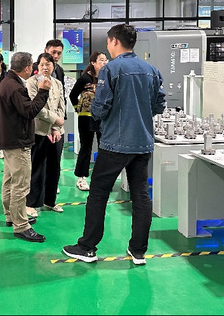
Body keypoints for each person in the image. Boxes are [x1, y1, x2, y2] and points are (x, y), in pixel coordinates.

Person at [63, 24, 165, 265]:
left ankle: (87, 247)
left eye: (108, 42)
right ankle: (138, 251)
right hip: (142, 143)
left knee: (98, 193)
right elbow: (159, 105)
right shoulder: (151, 70)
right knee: (140, 195)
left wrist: (100, 115)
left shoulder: (111, 70)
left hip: (115, 144)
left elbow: (99, 107)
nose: (107, 47)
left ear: (115, 41)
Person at [0, 51, 51, 243]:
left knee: (10, 180)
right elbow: (29, 110)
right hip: (18, 141)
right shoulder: (16, 87)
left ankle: (11, 216)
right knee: (20, 184)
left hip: (9, 139)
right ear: (27, 68)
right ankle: (21, 225)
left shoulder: (7, 81)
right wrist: (43, 91)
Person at [26, 53, 66, 218]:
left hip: (57, 132)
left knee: (54, 167)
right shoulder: (31, 82)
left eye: (48, 64)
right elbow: (36, 108)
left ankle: (50, 200)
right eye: (42, 64)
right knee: (37, 168)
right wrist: (54, 121)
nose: (45, 67)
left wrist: (56, 127)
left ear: (53, 66)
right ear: (37, 66)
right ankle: (31, 203)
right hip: (39, 131)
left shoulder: (57, 83)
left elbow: (61, 105)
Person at [69, 51, 108, 191]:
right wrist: (77, 109)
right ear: (93, 62)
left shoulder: (106, 78)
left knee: (104, 147)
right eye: (101, 60)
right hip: (86, 117)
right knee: (86, 147)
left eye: (106, 60)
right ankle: (81, 178)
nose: (104, 62)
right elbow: (73, 95)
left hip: (102, 117)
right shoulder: (85, 78)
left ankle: (102, 178)